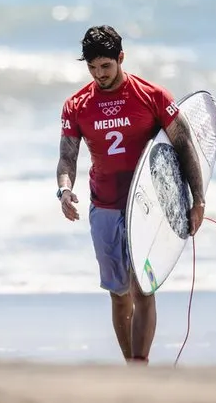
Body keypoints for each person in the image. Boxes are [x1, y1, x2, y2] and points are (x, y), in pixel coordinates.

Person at [55, 25, 206, 365]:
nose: (99, 74)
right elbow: (67, 157)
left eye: (106, 66)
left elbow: (183, 146)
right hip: (104, 206)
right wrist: (64, 190)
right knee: (118, 293)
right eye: (92, 68)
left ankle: (140, 365)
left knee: (142, 289)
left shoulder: (152, 96)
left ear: (121, 58)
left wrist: (197, 199)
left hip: (147, 207)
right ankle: (131, 367)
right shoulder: (76, 106)